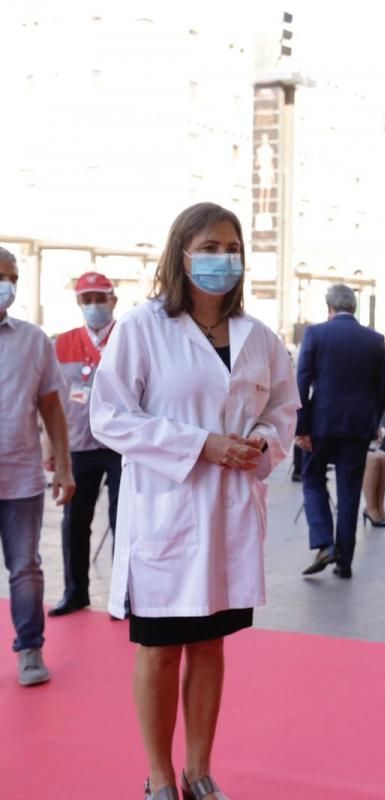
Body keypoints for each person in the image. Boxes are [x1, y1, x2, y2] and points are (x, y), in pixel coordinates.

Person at [90, 202, 300, 799]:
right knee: (160, 650)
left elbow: (282, 408)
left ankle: (199, 771)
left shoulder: (258, 338)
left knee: (209, 644)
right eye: (209, 247)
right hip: (169, 511)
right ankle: (159, 778)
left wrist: (262, 441)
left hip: (230, 512)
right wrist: (197, 444)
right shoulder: (142, 328)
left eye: (232, 248)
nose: (222, 259)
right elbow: (110, 416)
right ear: (181, 253)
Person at [0, 246, 75, 687]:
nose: (4, 283)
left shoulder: (33, 340)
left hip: (21, 477)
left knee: (25, 567)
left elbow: (51, 406)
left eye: (10, 276)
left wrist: (63, 466)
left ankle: (30, 649)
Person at [296, 284, 385, 578]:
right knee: (349, 491)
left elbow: (301, 382)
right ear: (354, 307)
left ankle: (325, 543)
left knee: (312, 478)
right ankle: (345, 561)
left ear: (329, 308)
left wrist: (301, 427)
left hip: (321, 423)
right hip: (358, 426)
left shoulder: (315, 334)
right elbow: (384, 387)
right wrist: (374, 422)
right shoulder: (375, 340)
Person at [48, 271, 122, 617]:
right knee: (75, 521)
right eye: (87, 299)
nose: (94, 305)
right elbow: (50, 398)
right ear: (79, 303)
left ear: (113, 300)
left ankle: (124, 595)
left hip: (123, 445)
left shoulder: (129, 337)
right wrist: (52, 446)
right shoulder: (62, 343)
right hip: (78, 444)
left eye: (99, 298)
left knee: (124, 521)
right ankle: (75, 591)